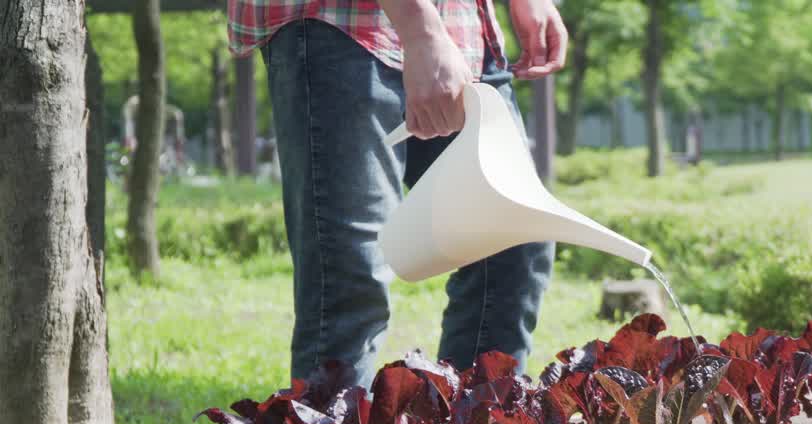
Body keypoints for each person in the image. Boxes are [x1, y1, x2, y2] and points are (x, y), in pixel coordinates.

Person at [227, 0, 568, 386]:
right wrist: (420, 31)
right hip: (346, 20)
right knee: (352, 273)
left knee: (512, 238)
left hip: (461, 28)